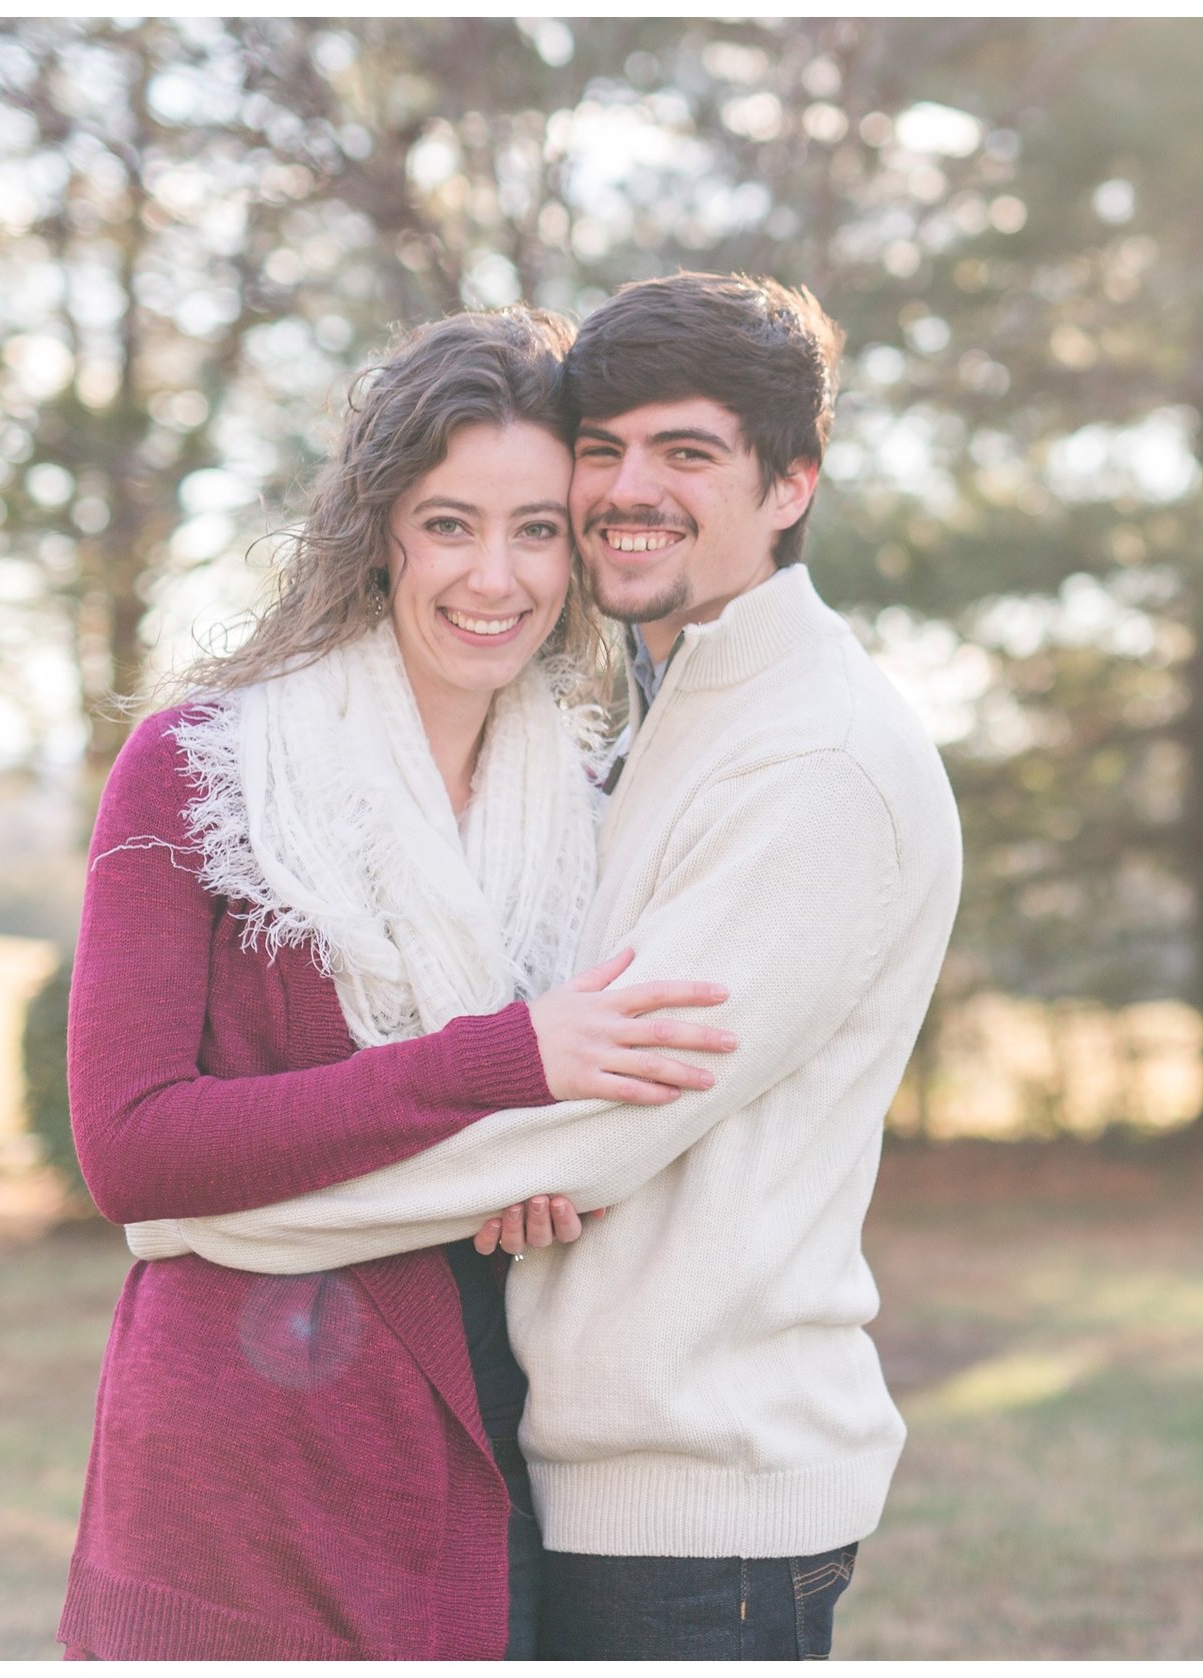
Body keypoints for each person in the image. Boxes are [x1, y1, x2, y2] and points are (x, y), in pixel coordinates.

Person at [126, 272, 965, 1660]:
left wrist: (204, 1216)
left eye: (688, 452)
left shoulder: (817, 758)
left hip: (706, 1499)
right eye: (604, 447)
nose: (628, 488)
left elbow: (587, 1123)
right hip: (569, 1469)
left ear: (792, 483)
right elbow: (539, 1095)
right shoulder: (659, 716)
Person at [56, 307, 742, 1660]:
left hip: (494, 1424)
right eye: (449, 523)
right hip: (241, 1460)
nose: (496, 576)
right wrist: (503, 1068)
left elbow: (592, 1112)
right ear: (377, 530)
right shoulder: (200, 769)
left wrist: (552, 1162)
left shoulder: (595, 800)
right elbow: (131, 1149)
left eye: (538, 528)